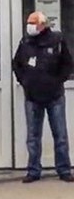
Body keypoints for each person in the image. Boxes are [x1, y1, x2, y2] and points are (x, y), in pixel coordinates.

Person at [12, 11, 74, 183]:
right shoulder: (25, 42)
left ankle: (64, 169)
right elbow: (16, 63)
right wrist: (24, 80)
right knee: (33, 136)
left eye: (32, 22)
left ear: (42, 24)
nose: (29, 26)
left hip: (54, 96)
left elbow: (68, 64)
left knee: (60, 135)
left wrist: (57, 80)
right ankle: (33, 171)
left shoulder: (57, 40)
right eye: (28, 23)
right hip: (32, 96)